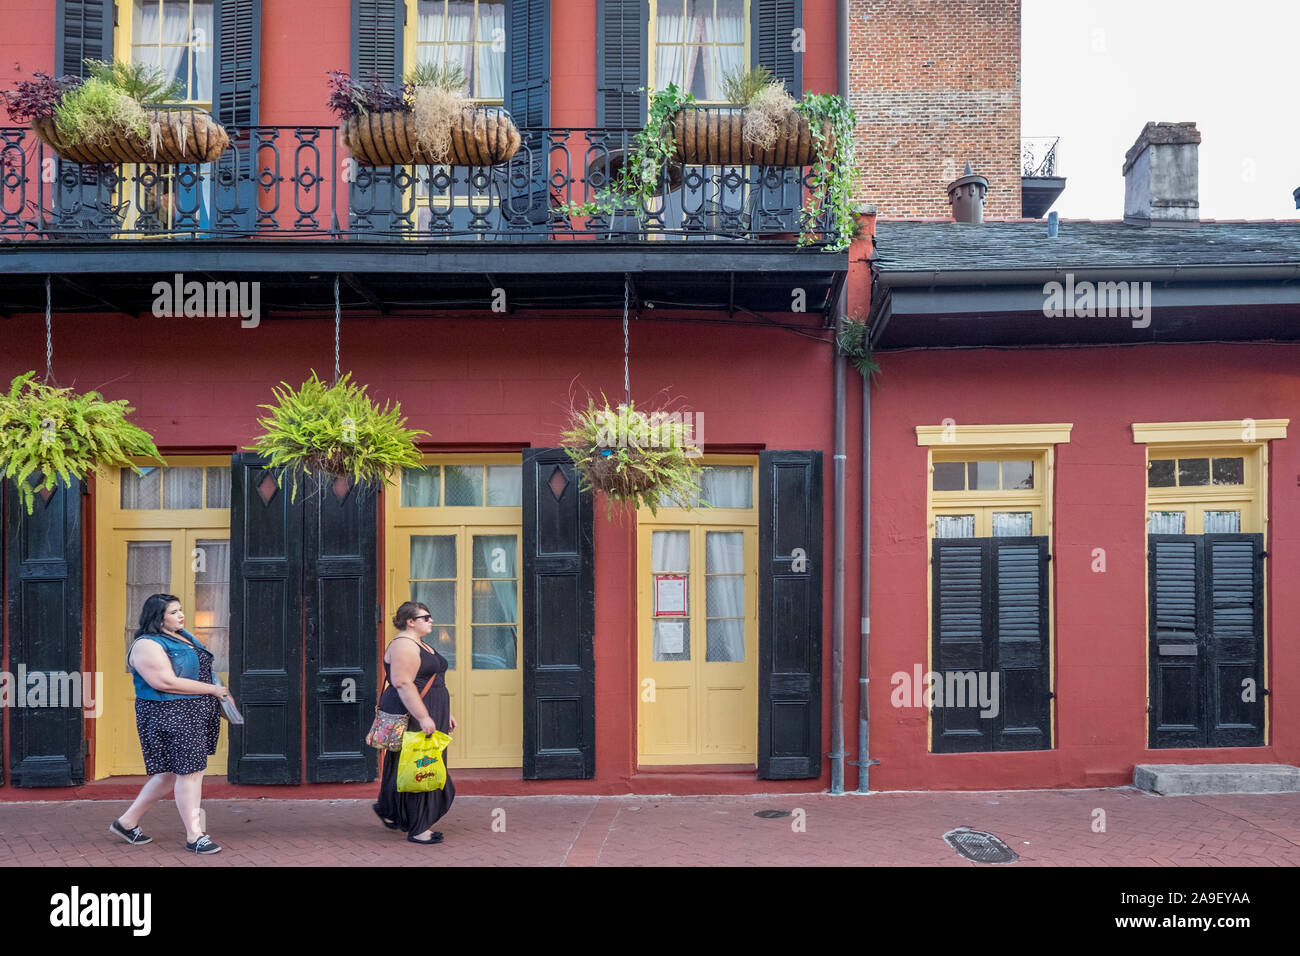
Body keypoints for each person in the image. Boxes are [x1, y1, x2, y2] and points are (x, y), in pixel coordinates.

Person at [109, 593, 232, 855]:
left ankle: (126, 823)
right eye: (174, 612)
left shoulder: (182, 636)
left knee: (168, 774)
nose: (181, 615)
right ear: (158, 617)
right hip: (169, 713)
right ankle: (195, 836)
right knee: (190, 772)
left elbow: (201, 669)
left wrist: (217, 690)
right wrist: (211, 689)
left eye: (180, 610)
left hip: (191, 711)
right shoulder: (147, 644)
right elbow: (165, 682)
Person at [373, 600, 456, 844]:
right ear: (410, 621)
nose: (431, 620)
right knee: (421, 764)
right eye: (425, 617)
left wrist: (445, 711)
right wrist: (423, 716)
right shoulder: (404, 646)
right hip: (414, 713)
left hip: (430, 710)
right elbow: (402, 683)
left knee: (411, 763)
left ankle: (391, 809)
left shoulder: (420, 644)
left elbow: (432, 680)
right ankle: (419, 828)